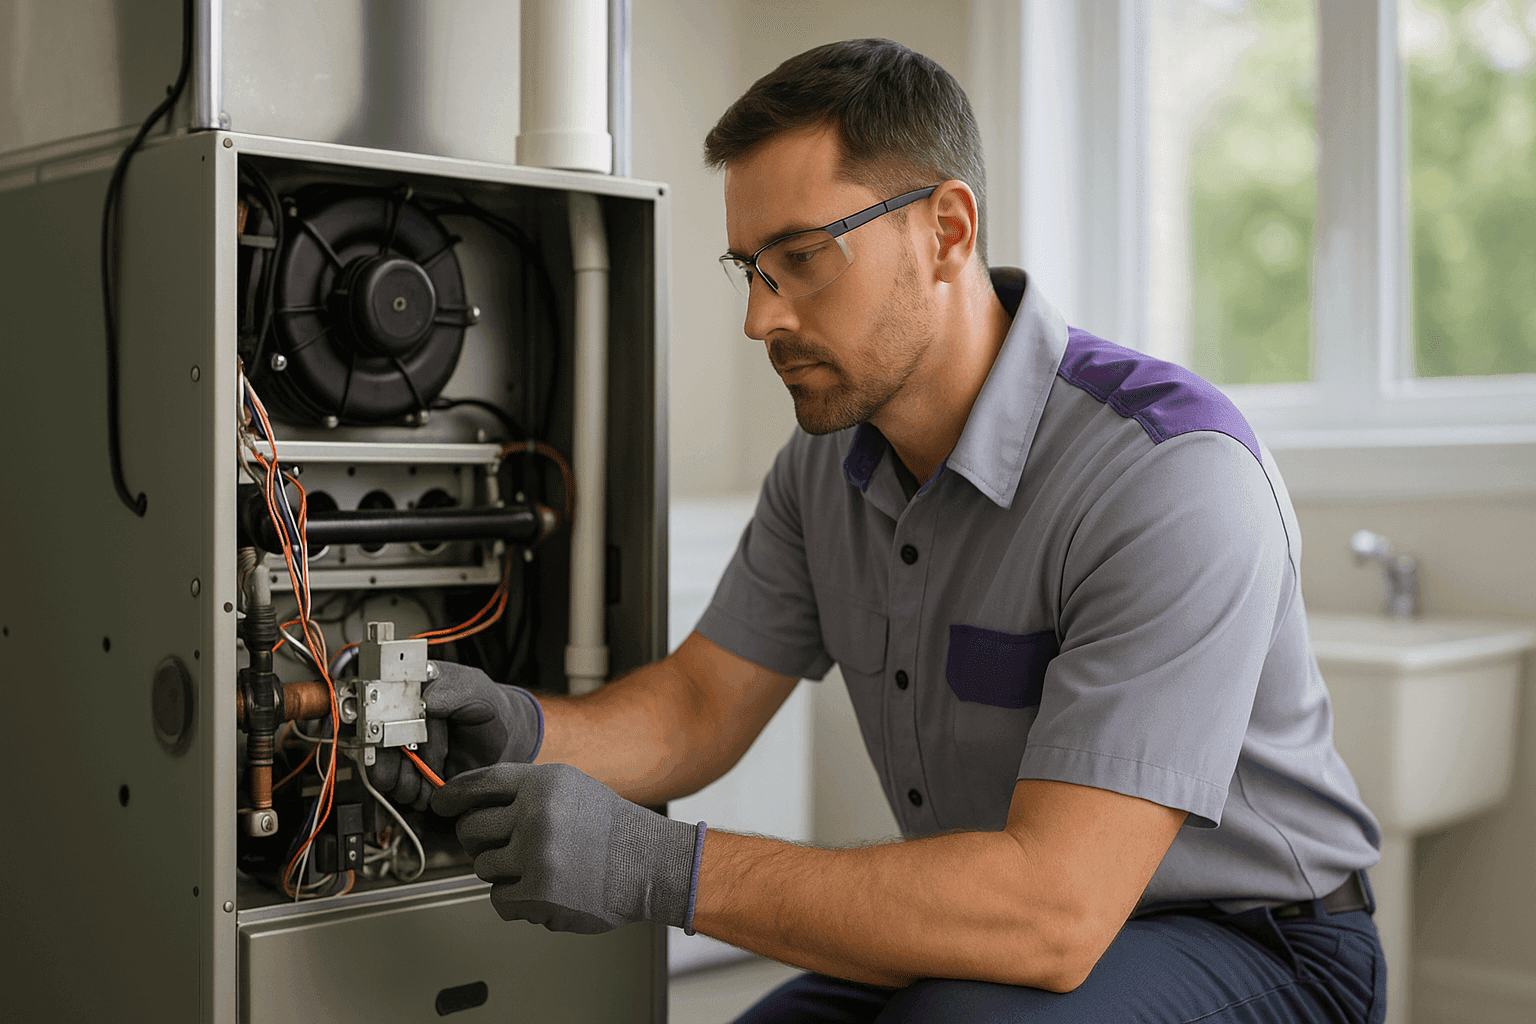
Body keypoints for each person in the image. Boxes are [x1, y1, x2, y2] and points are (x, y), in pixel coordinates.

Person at [371, 38, 1387, 1024]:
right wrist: (528, 729)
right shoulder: (825, 469)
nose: (760, 320)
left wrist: (653, 864)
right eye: (750, 269)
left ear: (946, 230)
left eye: (802, 258)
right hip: (991, 922)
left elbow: (1054, 911)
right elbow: (697, 707)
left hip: (1260, 944)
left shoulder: (1165, 475)